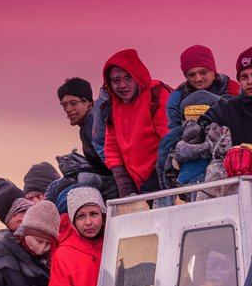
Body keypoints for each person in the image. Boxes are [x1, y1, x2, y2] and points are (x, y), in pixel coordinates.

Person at [156, 45, 240, 185]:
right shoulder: (177, 97)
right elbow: (173, 128)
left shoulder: (233, 88)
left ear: (213, 70)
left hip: (227, 149)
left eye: (203, 72)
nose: (198, 78)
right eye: (192, 74)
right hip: (191, 153)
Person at [101, 49, 171, 197]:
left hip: (162, 176)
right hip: (135, 181)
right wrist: (123, 183)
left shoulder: (156, 95)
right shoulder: (112, 104)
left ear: (137, 76)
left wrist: (156, 178)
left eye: (128, 78)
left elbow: (169, 138)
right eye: (116, 80)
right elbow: (111, 148)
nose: (122, 85)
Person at [57, 77, 104, 168]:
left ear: (88, 103)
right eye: (64, 105)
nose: (68, 109)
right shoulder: (88, 124)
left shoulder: (95, 125)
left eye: (73, 103)